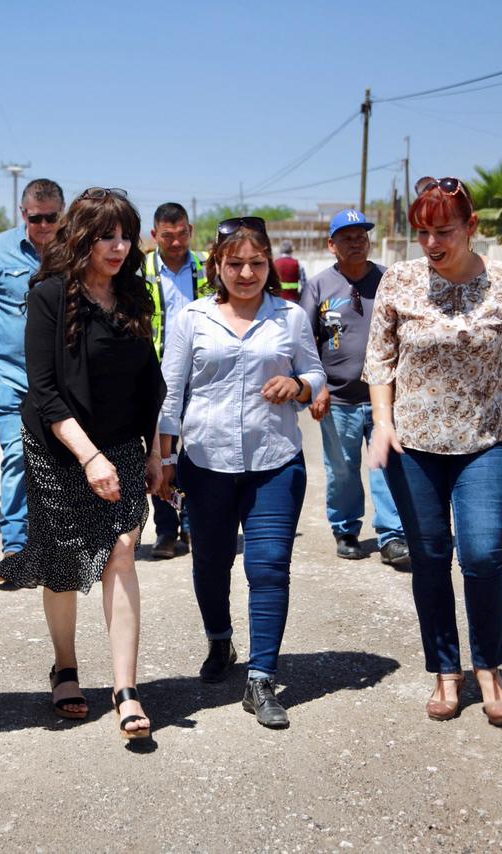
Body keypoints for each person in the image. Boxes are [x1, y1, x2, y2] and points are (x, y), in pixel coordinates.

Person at [365, 176, 502, 727]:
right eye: (424, 232)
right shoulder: (400, 282)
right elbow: (379, 361)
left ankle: (490, 667)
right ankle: (445, 670)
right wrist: (383, 423)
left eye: (444, 230)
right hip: (414, 448)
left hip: (484, 444)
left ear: (472, 227)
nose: (432, 242)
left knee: (481, 555)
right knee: (430, 559)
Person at [0, 187, 164, 742]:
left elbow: (150, 383)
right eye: (105, 236)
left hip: (119, 443)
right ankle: (65, 668)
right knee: (66, 562)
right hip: (60, 445)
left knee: (121, 553)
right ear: (82, 239)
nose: (118, 247)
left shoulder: (136, 296)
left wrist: (155, 454)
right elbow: (43, 390)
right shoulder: (48, 294)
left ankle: (126, 689)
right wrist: (87, 455)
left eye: (125, 236)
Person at [158, 216, 325, 729]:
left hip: (275, 462)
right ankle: (219, 642)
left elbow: (316, 374)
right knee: (210, 563)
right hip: (205, 463)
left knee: (269, 567)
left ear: (268, 264)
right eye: (236, 263)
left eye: (256, 263)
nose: (247, 273)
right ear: (217, 265)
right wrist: (163, 459)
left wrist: (297, 385)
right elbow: (172, 388)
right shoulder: (192, 317)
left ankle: (262, 678)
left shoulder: (291, 317)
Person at [300, 209, 409, 567]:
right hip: (339, 397)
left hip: (385, 397)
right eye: (347, 236)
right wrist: (317, 386)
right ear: (332, 245)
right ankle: (345, 529)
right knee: (343, 468)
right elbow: (304, 341)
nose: (356, 241)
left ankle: (392, 535)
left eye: (361, 235)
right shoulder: (318, 286)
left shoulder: (389, 280)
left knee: (386, 465)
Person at [0, 179, 64, 578]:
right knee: (16, 456)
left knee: (61, 461)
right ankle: (15, 546)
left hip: (63, 380)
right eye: (36, 218)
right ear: (22, 214)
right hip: (13, 376)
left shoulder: (74, 252)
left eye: (52, 218)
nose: (44, 225)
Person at [141, 202, 211, 559]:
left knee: (197, 450)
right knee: (160, 452)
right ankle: (166, 530)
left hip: (199, 373)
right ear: (155, 236)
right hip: (155, 374)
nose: (176, 241)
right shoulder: (142, 269)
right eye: (168, 235)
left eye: (182, 233)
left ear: (191, 230)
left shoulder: (205, 266)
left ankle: (194, 525)